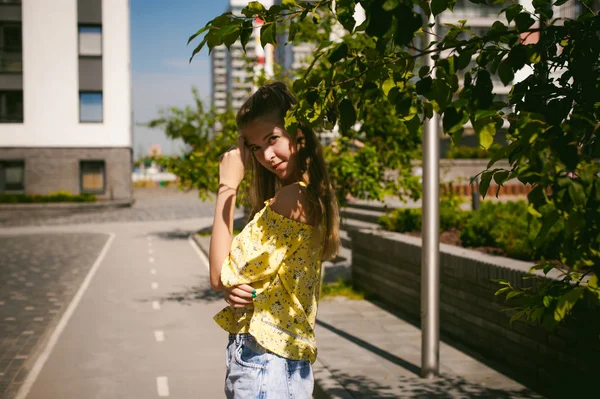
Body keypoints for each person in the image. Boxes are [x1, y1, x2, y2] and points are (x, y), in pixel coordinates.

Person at [208, 81, 340, 398]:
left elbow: (219, 274)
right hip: (288, 359)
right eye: (253, 147)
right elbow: (259, 281)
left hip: (264, 360)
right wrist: (250, 292)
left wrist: (226, 186)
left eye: (272, 139)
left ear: (298, 134)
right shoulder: (308, 195)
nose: (266, 155)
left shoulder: (291, 198)